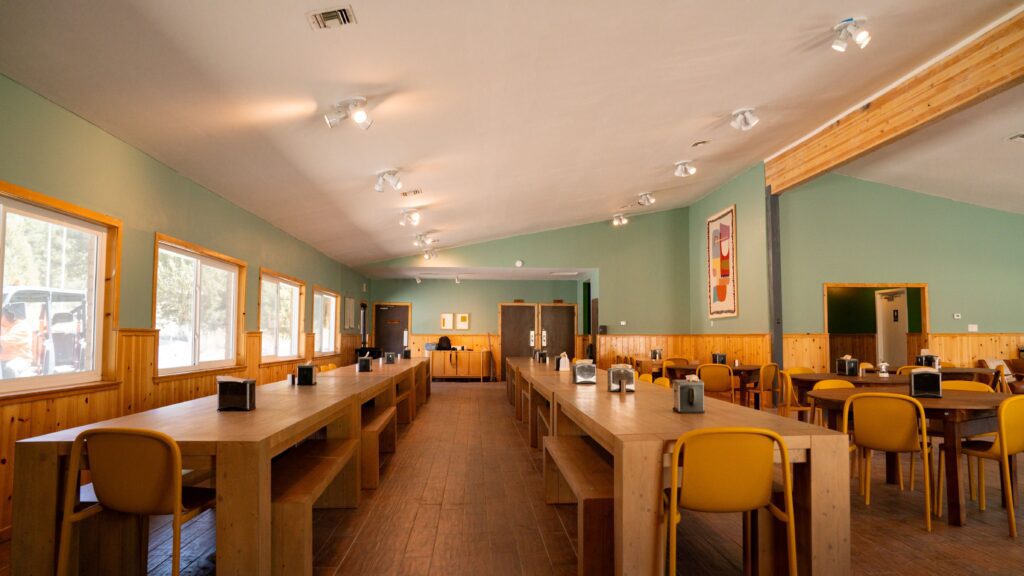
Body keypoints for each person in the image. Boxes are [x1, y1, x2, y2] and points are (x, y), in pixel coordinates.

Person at [1, 303, 33, 379]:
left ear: (9, 316)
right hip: (4, 358)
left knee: (10, 368)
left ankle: (11, 388)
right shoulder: (6, 326)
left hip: (21, 359)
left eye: (2, 315)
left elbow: (6, 340)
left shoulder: (22, 327)